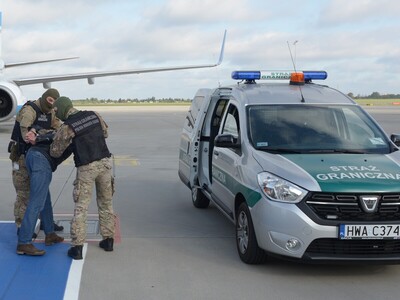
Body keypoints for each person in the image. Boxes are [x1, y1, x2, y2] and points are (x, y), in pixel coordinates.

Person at [50, 96, 116, 260]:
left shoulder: (67, 126)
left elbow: (55, 151)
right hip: (105, 163)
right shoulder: (94, 114)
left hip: (86, 167)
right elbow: (105, 133)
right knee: (106, 203)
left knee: (81, 207)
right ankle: (108, 240)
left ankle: (77, 247)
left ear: (63, 110)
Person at [8, 88, 64, 233]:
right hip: (21, 157)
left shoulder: (51, 113)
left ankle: (47, 222)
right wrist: (43, 134)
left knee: (42, 191)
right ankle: (22, 227)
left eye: (54, 102)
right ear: (45, 97)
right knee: (24, 193)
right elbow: (28, 138)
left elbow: (59, 129)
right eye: (50, 100)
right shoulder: (29, 110)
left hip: (37, 158)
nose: (51, 104)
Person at [16, 130, 72, 255]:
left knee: (45, 199)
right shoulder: (73, 133)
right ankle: (24, 243)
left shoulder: (65, 128)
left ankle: (50, 233)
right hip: (41, 161)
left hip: (33, 155)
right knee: (36, 203)